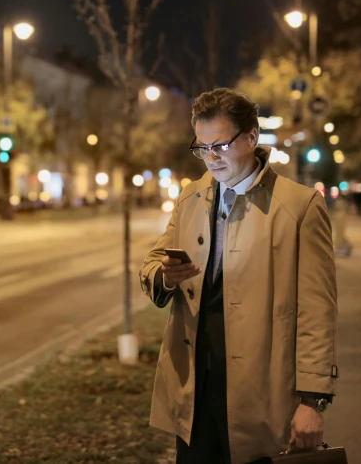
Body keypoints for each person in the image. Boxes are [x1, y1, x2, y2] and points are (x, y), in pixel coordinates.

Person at [139, 88, 338, 464]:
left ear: (251, 137)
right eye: (201, 147)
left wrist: (312, 400)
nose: (211, 158)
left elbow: (317, 312)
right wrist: (167, 276)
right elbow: (150, 266)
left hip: (262, 391)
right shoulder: (191, 198)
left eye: (220, 145)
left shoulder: (300, 207)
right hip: (194, 385)